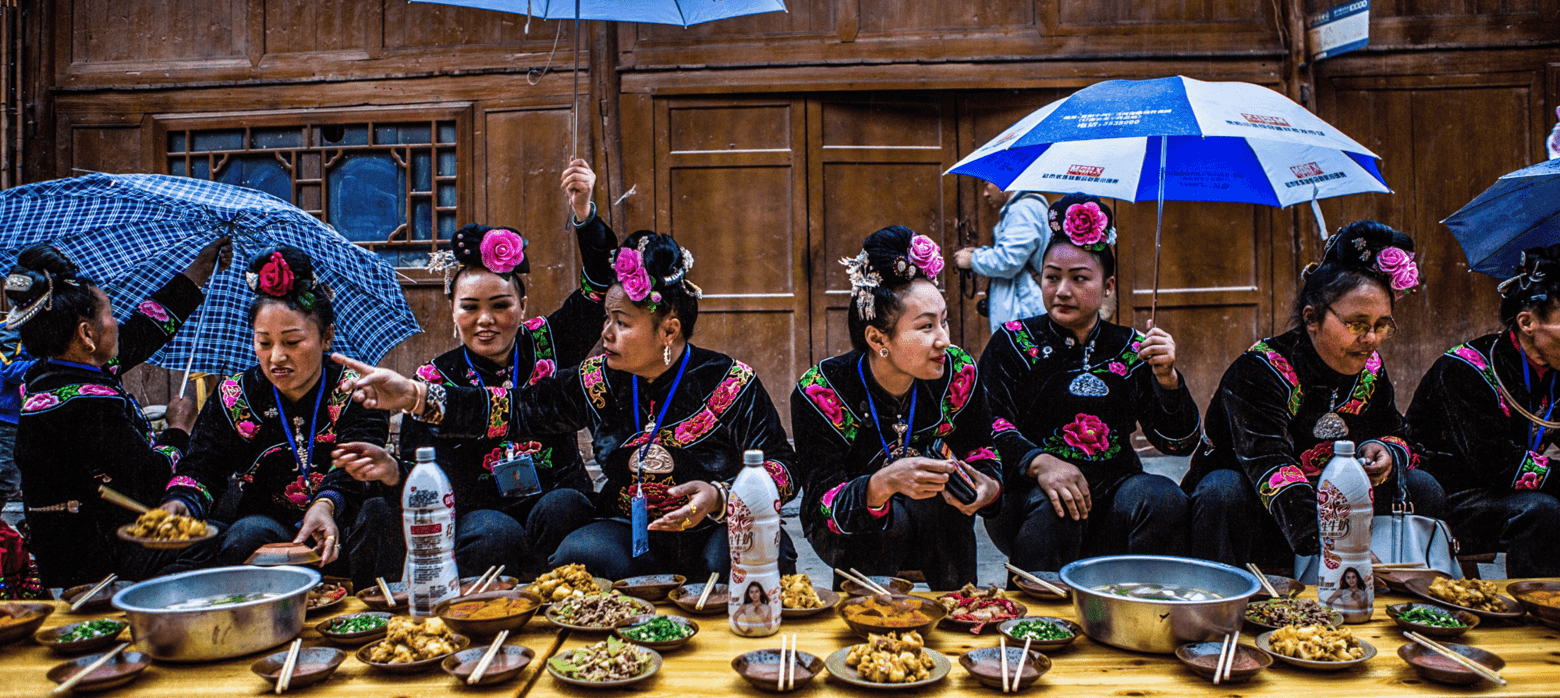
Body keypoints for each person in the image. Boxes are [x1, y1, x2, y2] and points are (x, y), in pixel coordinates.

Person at [333, 230, 799, 581]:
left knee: (736, 553)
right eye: (606, 320)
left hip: (717, 526)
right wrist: (415, 395)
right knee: (581, 553)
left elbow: (784, 469)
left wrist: (719, 496)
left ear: (669, 330)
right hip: (634, 526)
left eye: (621, 323)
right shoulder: (596, 380)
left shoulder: (731, 381)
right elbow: (513, 409)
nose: (606, 334)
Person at [333, 159, 615, 579]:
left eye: (501, 305)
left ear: (523, 306)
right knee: (491, 531)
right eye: (470, 307)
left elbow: (597, 287)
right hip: (480, 516)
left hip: (556, 501)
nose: (486, 320)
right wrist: (393, 472)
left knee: (566, 506)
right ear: (452, 312)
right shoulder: (432, 380)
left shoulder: (548, 342)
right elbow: (421, 470)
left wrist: (584, 212)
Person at [1183, 220, 1445, 569]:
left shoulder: (1370, 370)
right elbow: (1271, 464)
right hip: (1256, 507)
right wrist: (1338, 547)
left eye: (1381, 325)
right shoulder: (1260, 370)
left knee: (1421, 485)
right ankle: (1219, 599)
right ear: (1312, 318)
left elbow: (1397, 432)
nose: (1370, 339)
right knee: (1223, 489)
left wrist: (1385, 450)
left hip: (1327, 502)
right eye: (1357, 324)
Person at [979, 194, 1199, 573]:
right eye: (1052, 277)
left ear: (1108, 285)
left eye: (1079, 278)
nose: (1062, 290)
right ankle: (1038, 621)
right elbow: (988, 424)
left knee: (1163, 497)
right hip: (1032, 500)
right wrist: (1039, 462)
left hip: (1114, 496)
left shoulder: (1132, 348)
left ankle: (1140, 616)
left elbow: (1177, 442)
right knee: (1057, 504)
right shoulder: (1013, 342)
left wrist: (1167, 379)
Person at [162, 247, 391, 587]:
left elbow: (359, 459)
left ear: (326, 336)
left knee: (379, 515)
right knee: (247, 531)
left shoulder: (355, 390)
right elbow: (202, 465)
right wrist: (182, 501)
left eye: (293, 341)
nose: (277, 357)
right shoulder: (234, 397)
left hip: (342, 519)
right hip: (270, 526)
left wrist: (326, 505)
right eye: (264, 342)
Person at [12, 239, 230, 587]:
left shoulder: (51, 373)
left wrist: (198, 273)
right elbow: (152, 477)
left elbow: (144, 330)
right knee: (218, 541)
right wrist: (178, 429)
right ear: (87, 334)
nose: (117, 323)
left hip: (89, 537)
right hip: (92, 560)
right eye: (111, 315)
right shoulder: (85, 405)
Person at [794, 226, 1002, 590]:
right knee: (893, 515)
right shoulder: (822, 392)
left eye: (944, 320)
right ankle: (868, 624)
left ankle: (960, 614)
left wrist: (987, 484)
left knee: (937, 505)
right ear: (877, 338)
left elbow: (982, 448)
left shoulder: (958, 372)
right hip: (856, 534)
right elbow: (821, 504)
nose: (944, 339)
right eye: (925, 327)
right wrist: (880, 485)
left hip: (939, 529)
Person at [1405, 245, 1560, 577]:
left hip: (1508, 493)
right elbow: (1497, 463)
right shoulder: (1464, 370)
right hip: (1449, 496)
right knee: (1542, 510)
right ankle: (1536, 609)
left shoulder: (1555, 371)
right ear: (1527, 322)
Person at [953, 185, 1050, 334]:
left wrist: (972, 260)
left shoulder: (1022, 210)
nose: (985, 194)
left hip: (1023, 310)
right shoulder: (1026, 207)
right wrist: (982, 253)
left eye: (986, 184)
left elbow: (1008, 261)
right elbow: (1017, 253)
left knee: (1021, 355)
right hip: (1025, 306)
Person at [0, 323, 37, 503]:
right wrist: (51, 364)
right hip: (7, 417)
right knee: (5, 483)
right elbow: (11, 369)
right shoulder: (10, 330)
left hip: (28, 415)